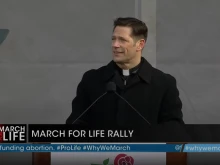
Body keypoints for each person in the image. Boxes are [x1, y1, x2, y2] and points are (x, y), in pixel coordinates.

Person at [66, 17, 187, 141]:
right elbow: (76, 123)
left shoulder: (163, 83)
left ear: (140, 44)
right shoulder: (92, 79)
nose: (115, 45)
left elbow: (174, 128)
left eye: (122, 40)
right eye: (113, 39)